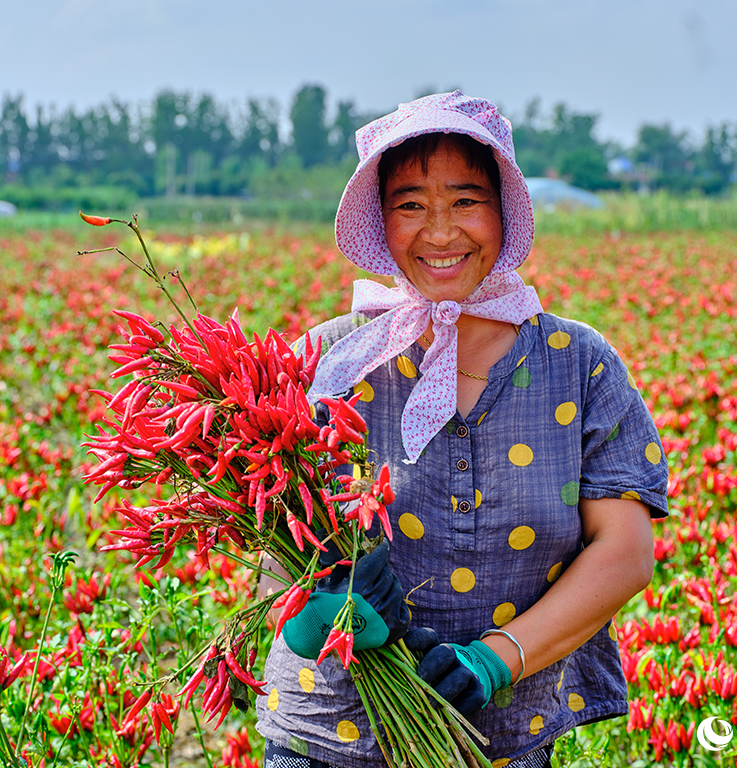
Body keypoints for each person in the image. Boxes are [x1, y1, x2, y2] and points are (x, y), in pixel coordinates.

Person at [255, 91, 669, 768]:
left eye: (465, 201)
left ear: (505, 214)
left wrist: (499, 657)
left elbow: (625, 550)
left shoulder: (580, 366)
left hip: (502, 740)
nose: (440, 232)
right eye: (410, 205)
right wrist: (323, 605)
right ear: (381, 224)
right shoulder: (327, 361)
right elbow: (274, 543)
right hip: (327, 738)